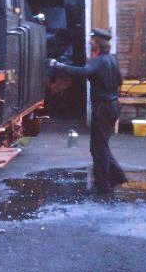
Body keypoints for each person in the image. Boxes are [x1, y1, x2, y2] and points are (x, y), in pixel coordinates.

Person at [49, 28, 127, 193]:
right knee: (100, 145)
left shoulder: (98, 61)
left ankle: (103, 185)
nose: (90, 42)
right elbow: (120, 81)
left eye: (92, 40)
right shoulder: (112, 59)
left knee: (99, 147)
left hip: (103, 107)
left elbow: (84, 72)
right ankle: (116, 176)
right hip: (113, 105)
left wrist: (59, 65)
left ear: (98, 43)